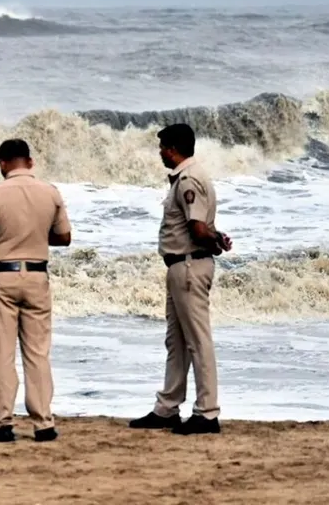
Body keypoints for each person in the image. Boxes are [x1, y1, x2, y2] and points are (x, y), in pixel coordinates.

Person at [128, 123, 232, 436]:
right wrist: (216, 238)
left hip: (188, 266)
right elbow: (201, 227)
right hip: (183, 265)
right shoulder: (191, 176)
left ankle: (207, 412)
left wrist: (213, 240)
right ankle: (167, 407)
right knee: (177, 341)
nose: (160, 153)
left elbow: (197, 228)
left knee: (197, 341)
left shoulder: (188, 180)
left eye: (162, 147)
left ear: (173, 149)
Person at [0, 138, 71, 443]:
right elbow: (64, 237)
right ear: (30, 161)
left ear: (2, 163)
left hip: (2, 275)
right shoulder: (50, 192)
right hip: (37, 274)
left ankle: (3, 420)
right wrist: (34, 235)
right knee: (37, 351)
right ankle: (43, 422)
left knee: (3, 351)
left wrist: (3, 235)